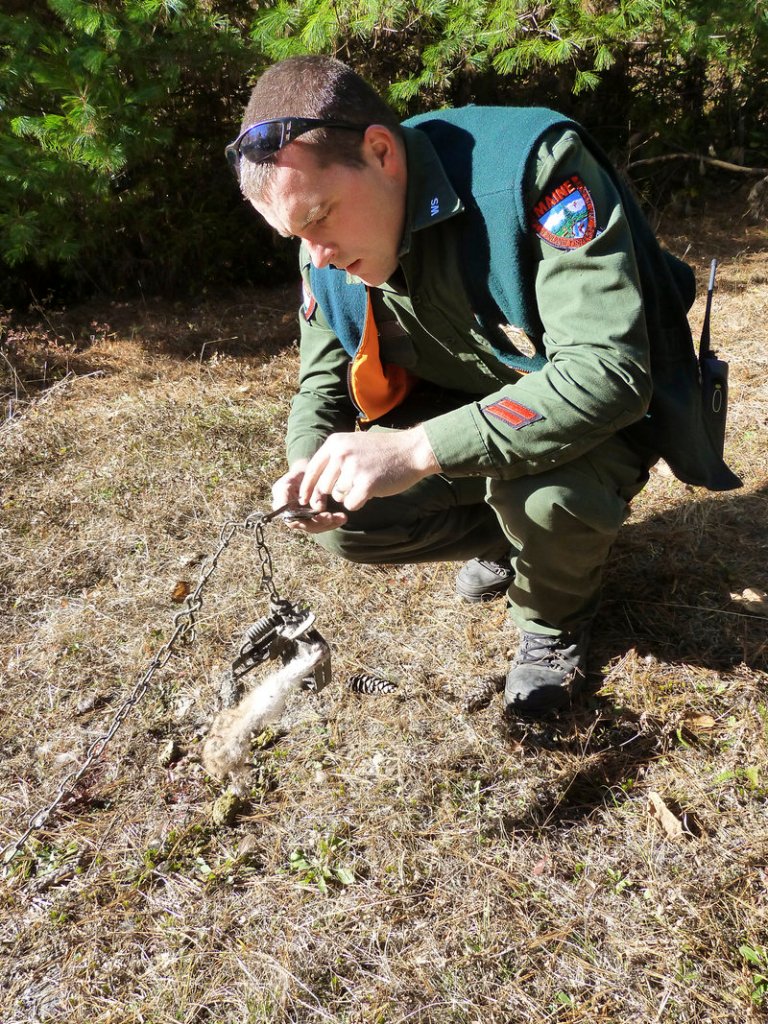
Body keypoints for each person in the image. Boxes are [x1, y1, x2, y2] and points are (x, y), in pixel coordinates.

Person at [225, 55, 740, 717]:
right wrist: (308, 464)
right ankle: (510, 537)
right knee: (348, 519)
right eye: (293, 235)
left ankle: (553, 624)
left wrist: (411, 452)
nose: (315, 253)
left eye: (319, 218)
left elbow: (607, 374)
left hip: (596, 419)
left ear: (380, 153)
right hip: (472, 413)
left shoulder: (532, 174)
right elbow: (323, 376)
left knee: (550, 498)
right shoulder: (321, 238)